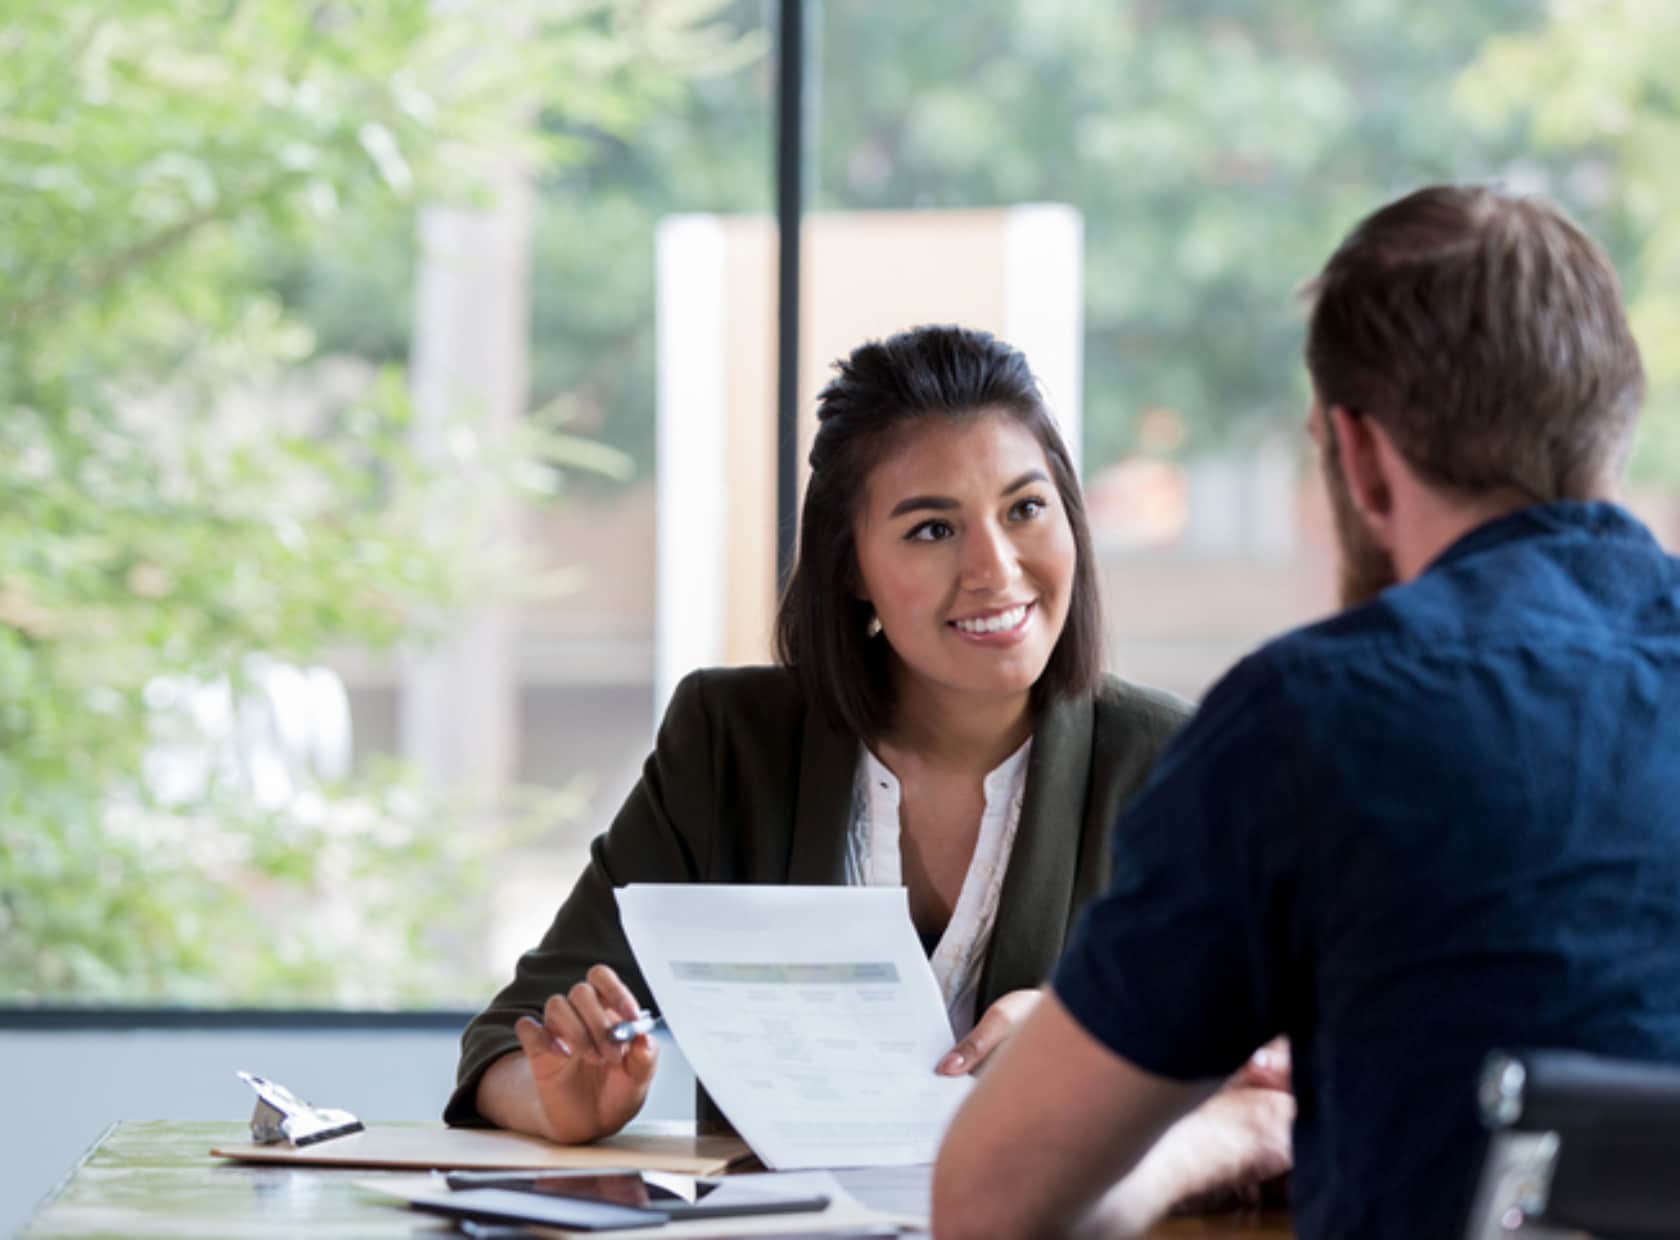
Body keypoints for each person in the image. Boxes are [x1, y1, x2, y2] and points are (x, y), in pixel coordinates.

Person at [932, 184, 1680, 1240]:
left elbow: (990, 1204)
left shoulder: (1314, 719)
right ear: (1615, 416)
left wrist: (1225, 1134)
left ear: (1360, 455)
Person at [446, 325, 1289, 1207]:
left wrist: (1095, 1045)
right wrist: (557, 1101)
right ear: (851, 567)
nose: (995, 569)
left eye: (1026, 509)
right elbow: (512, 1037)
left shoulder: (1175, 765)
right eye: (932, 529)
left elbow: (1278, 1070)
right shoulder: (731, 743)